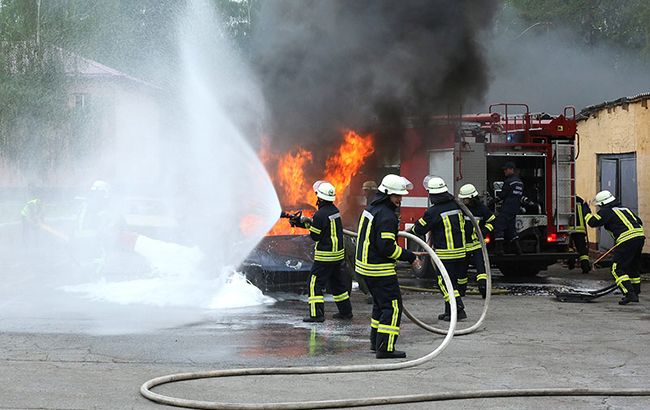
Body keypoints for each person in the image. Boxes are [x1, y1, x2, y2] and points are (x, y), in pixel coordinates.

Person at [355, 174, 420, 359]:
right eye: (397, 196)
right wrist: (410, 256)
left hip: (366, 268)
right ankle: (386, 348)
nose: (400, 199)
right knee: (392, 307)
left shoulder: (372, 208)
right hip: (379, 269)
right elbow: (387, 248)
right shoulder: (386, 216)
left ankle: (376, 342)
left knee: (380, 305)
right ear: (387, 194)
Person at [292, 181, 353, 323]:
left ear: (320, 198)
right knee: (338, 285)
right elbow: (323, 228)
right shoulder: (335, 211)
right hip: (337, 256)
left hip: (325, 257)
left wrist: (307, 225)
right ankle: (346, 312)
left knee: (313, 283)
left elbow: (315, 235)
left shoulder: (320, 214)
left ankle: (316, 315)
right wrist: (306, 222)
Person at [413, 177, 467, 321]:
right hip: (461, 252)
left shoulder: (434, 211)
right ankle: (449, 312)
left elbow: (419, 229)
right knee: (453, 282)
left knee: (444, 283)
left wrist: (414, 226)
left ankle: (459, 308)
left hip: (446, 254)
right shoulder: (457, 206)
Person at [586, 190, 645, 305]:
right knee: (633, 267)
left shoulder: (606, 211)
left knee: (616, 268)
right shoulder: (624, 209)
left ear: (603, 204)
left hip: (627, 240)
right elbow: (639, 222)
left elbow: (593, 222)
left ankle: (629, 294)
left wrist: (586, 212)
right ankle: (635, 292)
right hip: (639, 238)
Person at [458, 183, 495, 299]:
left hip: (476, 244)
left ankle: (483, 288)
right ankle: (461, 291)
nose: (464, 201)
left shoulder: (481, 208)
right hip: (463, 245)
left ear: (473, 197)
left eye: (466, 199)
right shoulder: (460, 208)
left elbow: (492, 221)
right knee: (462, 270)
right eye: (463, 199)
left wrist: (484, 231)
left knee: (481, 269)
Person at [492, 162, 523, 255]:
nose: (504, 171)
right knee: (511, 229)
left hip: (507, 208)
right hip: (515, 209)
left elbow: (502, 195)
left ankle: (499, 250)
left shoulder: (509, 181)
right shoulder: (520, 182)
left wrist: (493, 201)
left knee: (499, 227)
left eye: (506, 169)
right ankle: (518, 250)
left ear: (511, 169)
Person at [569, 196, 592, 274]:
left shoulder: (564, 199)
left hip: (567, 229)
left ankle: (571, 264)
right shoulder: (581, 200)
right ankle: (585, 267)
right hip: (580, 229)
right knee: (582, 249)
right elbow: (587, 212)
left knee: (569, 247)